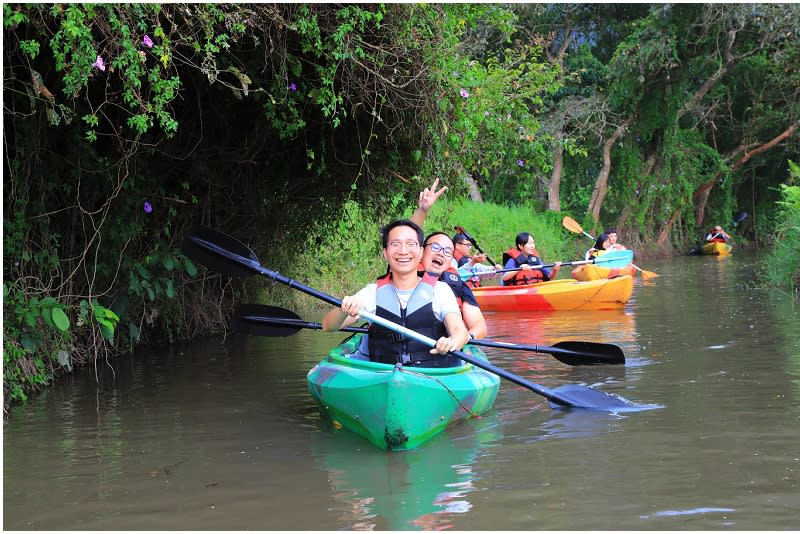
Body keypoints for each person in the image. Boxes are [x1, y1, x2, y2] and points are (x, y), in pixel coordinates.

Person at [322, 219, 469, 367]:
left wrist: (451, 342)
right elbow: (328, 326)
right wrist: (344, 309)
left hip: (432, 377)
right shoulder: (371, 293)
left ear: (421, 252)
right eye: (395, 244)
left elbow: (459, 330)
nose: (403, 251)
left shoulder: (440, 290)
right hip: (384, 375)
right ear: (386, 253)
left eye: (410, 244)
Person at [421, 231, 488, 340]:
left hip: (452, 346)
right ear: (421, 251)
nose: (441, 253)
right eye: (435, 247)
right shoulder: (405, 279)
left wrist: (465, 338)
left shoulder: (458, 284)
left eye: (447, 251)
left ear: (451, 260)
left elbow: (479, 326)